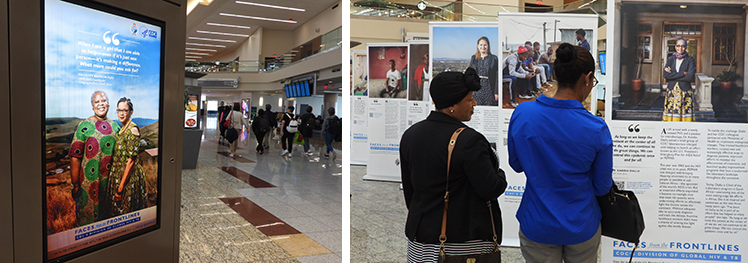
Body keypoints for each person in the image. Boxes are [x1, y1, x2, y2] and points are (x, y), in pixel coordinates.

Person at [507, 43, 613, 263]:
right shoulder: (596, 128)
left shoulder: (523, 113)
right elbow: (602, 187)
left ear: (555, 73)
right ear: (588, 77)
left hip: (537, 221)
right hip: (581, 223)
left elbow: (516, 164)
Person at [400, 68, 507, 262]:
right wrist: (500, 174)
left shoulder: (411, 135)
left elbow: (410, 190)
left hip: (421, 238)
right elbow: (490, 188)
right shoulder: (470, 140)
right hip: (460, 243)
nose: (474, 104)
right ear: (452, 105)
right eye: (469, 99)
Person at [69, 90, 120, 225]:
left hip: (110, 185)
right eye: (97, 102)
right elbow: (75, 156)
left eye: (103, 101)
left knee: (108, 223)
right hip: (87, 185)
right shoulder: (84, 126)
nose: (101, 104)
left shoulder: (116, 127)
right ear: (92, 106)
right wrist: (75, 184)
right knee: (87, 223)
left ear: (108, 104)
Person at [106, 97, 148, 217]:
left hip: (128, 178)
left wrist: (120, 188)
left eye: (125, 110)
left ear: (131, 112)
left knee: (125, 212)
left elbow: (131, 161)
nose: (122, 113)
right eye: (119, 110)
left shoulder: (133, 129)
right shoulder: (121, 129)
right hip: (118, 174)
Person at [663, 38, 696, 122]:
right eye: (678, 46)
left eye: (682, 46)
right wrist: (682, 73)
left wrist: (672, 75)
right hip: (672, 91)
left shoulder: (690, 60)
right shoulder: (670, 59)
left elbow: (690, 77)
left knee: (685, 119)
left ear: (685, 47)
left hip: (685, 92)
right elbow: (666, 75)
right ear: (675, 47)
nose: (680, 48)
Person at [468, 36, 499, 106]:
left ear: (488, 46)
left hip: (489, 88)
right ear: (478, 46)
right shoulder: (474, 58)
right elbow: (470, 74)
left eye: (485, 45)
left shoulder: (494, 58)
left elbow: (497, 76)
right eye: (481, 45)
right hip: (476, 89)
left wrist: (496, 92)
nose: (483, 47)